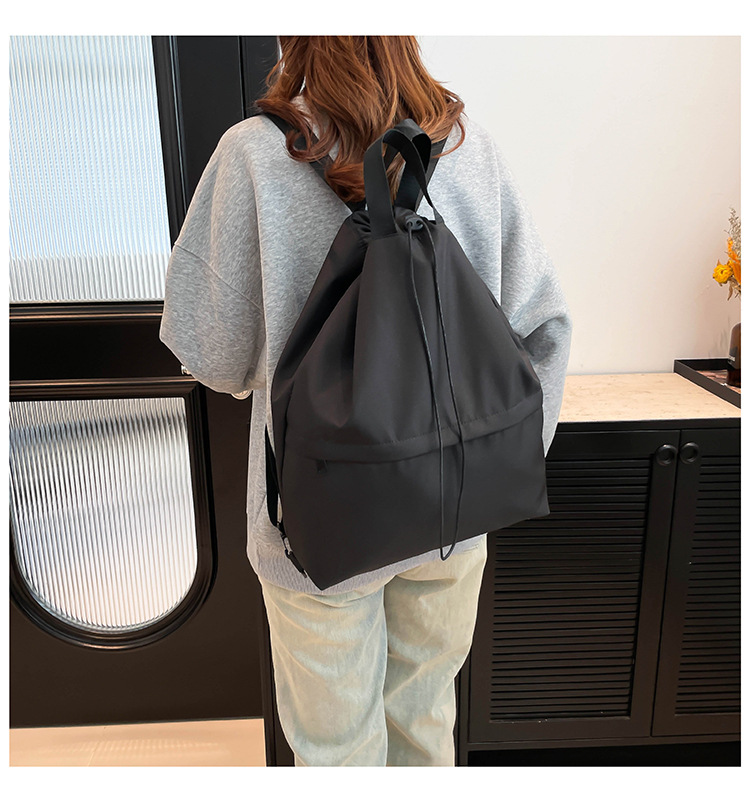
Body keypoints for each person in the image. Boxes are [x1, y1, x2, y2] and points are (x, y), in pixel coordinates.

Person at [159, 35, 573, 767]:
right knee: (425, 724)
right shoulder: (466, 146)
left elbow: (215, 358)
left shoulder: (254, 154)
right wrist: (492, 463)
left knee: (337, 752)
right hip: (453, 511)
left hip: (317, 520)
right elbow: (543, 328)